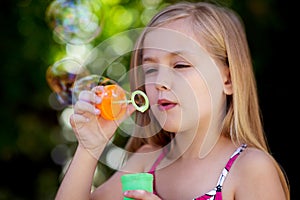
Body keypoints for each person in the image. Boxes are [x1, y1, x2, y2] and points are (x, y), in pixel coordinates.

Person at [55, 1, 290, 200]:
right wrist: (89, 148)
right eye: (150, 69)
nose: (160, 82)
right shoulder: (146, 162)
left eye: (180, 65)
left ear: (227, 80)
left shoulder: (250, 169)